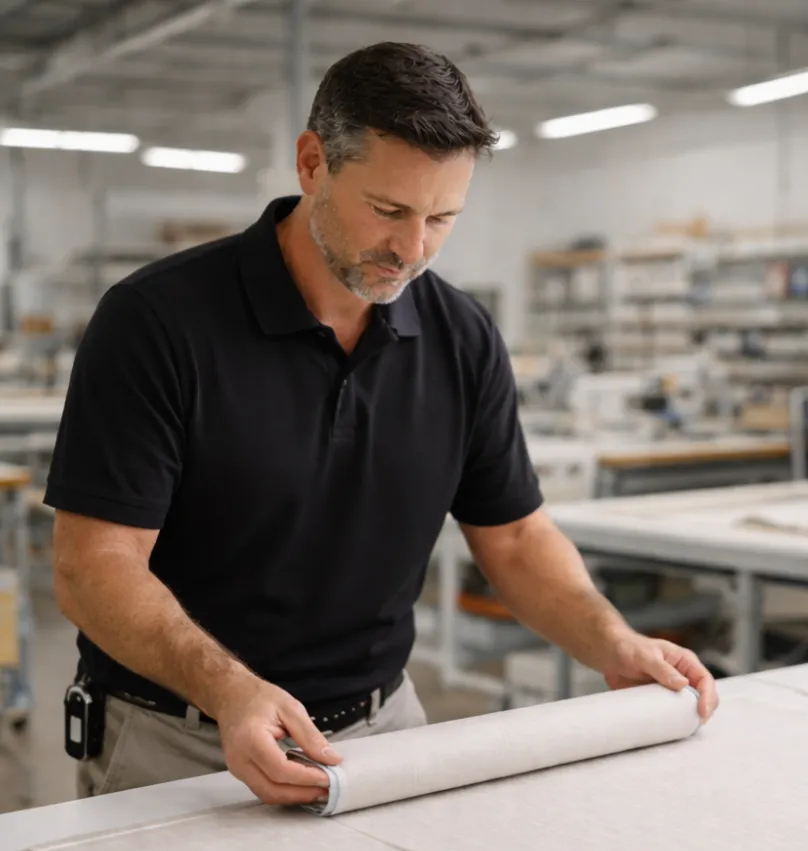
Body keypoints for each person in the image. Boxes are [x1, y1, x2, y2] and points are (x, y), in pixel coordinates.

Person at [48, 41, 718, 809]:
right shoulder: (158, 323)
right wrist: (232, 692)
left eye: (442, 218)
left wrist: (615, 640)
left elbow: (517, 538)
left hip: (386, 734)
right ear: (311, 164)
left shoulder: (462, 338)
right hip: (181, 737)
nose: (411, 249)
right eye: (389, 210)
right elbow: (91, 567)